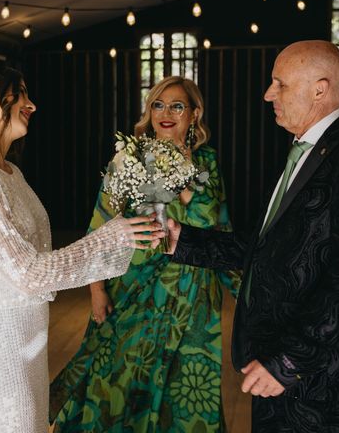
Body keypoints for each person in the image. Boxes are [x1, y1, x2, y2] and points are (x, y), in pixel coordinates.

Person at [162, 41, 339, 432]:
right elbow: (266, 249)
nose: (268, 94)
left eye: (280, 83)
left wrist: (288, 363)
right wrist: (182, 240)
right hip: (272, 358)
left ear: (320, 89)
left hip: (313, 377)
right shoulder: (303, 149)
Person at [0, 66, 162, 433]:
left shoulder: (9, 173)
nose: (32, 104)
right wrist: (112, 238)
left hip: (25, 352)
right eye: (22, 93)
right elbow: (30, 274)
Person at [50, 76, 241, 432]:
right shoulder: (128, 158)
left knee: (185, 390)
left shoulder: (207, 162)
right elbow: (100, 226)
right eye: (158, 104)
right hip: (134, 286)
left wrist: (183, 166)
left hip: (192, 292)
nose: (165, 113)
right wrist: (96, 291)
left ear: (194, 114)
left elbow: (213, 221)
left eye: (177, 106)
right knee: (119, 382)